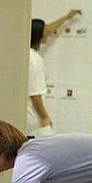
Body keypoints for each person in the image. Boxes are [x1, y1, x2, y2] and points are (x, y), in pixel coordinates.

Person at [27, 9, 82, 137]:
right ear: (39, 36)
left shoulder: (27, 54)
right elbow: (35, 95)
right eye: (45, 32)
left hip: (29, 120)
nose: (48, 32)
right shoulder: (35, 60)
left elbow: (48, 28)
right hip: (34, 122)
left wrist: (66, 17)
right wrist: (45, 118)